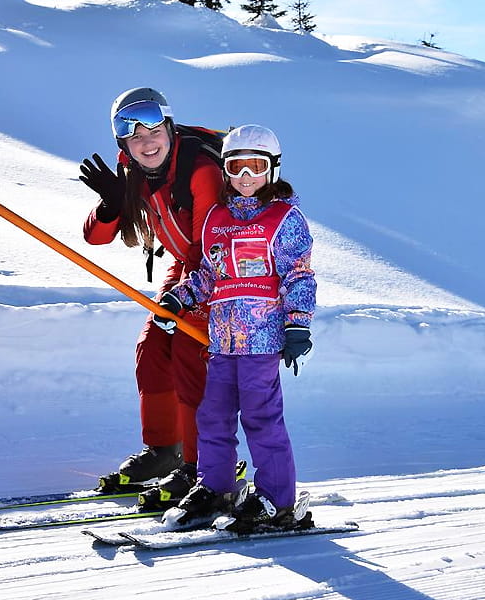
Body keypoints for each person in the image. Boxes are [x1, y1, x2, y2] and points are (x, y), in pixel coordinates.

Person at [153, 124, 317, 533]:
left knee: (261, 417)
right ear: (225, 171)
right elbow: (209, 274)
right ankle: (216, 489)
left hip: (262, 339)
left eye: (255, 167)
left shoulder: (283, 218)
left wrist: (298, 324)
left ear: (273, 170)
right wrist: (180, 297)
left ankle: (278, 500)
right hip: (223, 340)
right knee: (213, 416)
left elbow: (298, 274)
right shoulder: (218, 219)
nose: (246, 177)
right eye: (236, 167)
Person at [79, 87, 224, 503]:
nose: (146, 140)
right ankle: (165, 450)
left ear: (169, 126)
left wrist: (185, 296)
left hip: (220, 272)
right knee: (152, 347)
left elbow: (211, 244)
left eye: (153, 128)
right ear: (122, 142)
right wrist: (111, 204)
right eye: (131, 133)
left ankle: (201, 465)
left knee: (188, 356)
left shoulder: (199, 169)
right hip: (184, 270)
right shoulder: (134, 172)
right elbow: (95, 238)